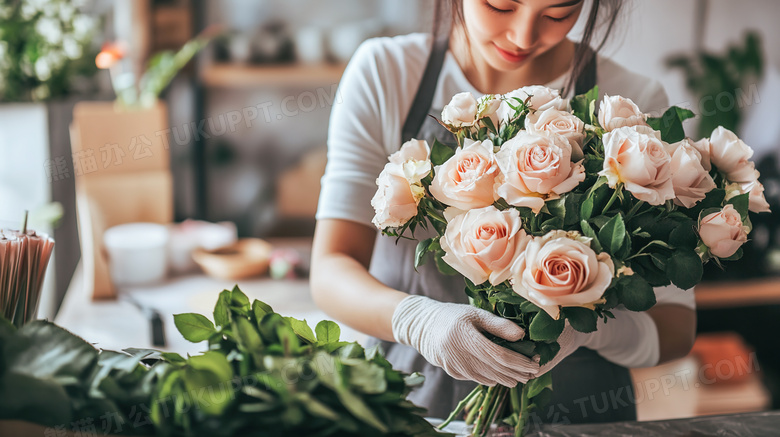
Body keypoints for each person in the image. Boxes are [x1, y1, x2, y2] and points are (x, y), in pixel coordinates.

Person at [310, 0, 697, 423]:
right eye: (500, 5)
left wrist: (586, 330)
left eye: (557, 13)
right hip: (411, 404)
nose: (523, 36)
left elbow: (675, 328)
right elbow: (332, 266)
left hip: (579, 413)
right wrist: (417, 321)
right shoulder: (388, 73)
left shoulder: (630, 103)